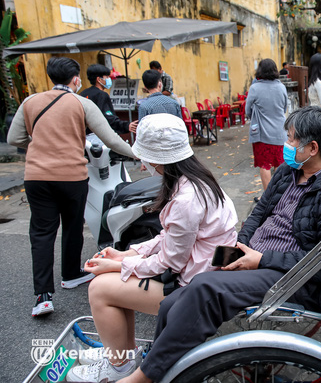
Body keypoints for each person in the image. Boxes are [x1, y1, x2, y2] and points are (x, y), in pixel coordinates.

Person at [117, 106, 321, 382]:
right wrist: (238, 248)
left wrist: (260, 259)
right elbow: (259, 213)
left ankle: (145, 376)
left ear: (313, 147)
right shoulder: (289, 172)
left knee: (205, 291)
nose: (287, 144)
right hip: (256, 256)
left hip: (293, 278)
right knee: (172, 302)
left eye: (292, 139)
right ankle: (169, 368)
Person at [65, 113, 238, 382]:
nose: (142, 163)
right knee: (112, 281)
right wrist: (129, 253)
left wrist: (119, 264)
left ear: (156, 159)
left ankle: (118, 364)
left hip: (194, 288)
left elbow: (171, 262)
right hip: (207, 269)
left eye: (143, 156)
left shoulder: (185, 198)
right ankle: (120, 354)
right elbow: (171, 238)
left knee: (99, 288)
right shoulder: (200, 180)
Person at [7, 57, 136, 317]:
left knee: (42, 232)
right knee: (73, 225)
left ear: (51, 77)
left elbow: (14, 138)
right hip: (71, 177)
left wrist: (39, 142)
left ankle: (43, 296)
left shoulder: (29, 102)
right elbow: (110, 138)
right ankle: (70, 274)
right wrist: (137, 155)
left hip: (36, 177)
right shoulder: (82, 103)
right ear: (75, 79)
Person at [246, 58, 288, 192]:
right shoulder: (281, 87)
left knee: (265, 165)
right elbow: (285, 107)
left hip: (262, 135)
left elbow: (248, 111)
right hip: (280, 133)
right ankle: (279, 195)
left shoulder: (255, 88)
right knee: (279, 164)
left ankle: (267, 198)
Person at [80, 64, 138, 134]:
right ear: (99, 79)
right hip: (99, 135)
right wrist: (126, 125)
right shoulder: (102, 95)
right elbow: (108, 117)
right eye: (107, 77)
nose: (109, 79)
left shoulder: (83, 93)